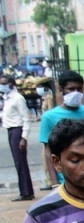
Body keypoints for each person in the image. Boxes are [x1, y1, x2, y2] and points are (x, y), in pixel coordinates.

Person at [38, 70, 84, 189]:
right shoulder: (49, 117)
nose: (75, 93)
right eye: (71, 89)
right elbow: (48, 151)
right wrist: (54, 182)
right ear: (61, 90)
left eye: (79, 89)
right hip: (64, 179)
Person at [1, 73, 35, 201]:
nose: (2, 86)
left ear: (11, 84)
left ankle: (26, 192)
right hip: (10, 130)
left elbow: (26, 119)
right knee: (18, 162)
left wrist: (24, 137)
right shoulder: (7, 98)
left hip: (17, 131)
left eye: (4, 84)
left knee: (21, 162)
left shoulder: (17, 98)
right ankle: (25, 191)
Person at [36, 84, 55, 190]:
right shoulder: (45, 98)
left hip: (49, 132)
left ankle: (51, 181)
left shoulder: (50, 98)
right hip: (45, 131)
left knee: (47, 156)